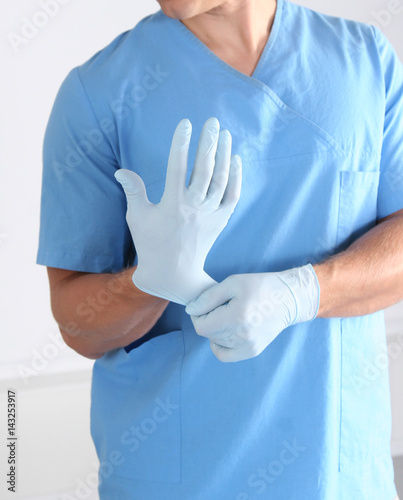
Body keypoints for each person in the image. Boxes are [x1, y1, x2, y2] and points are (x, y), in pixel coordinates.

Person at [36, 0, 403, 498]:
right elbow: (77, 323)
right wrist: (147, 282)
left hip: (336, 476)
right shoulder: (98, 95)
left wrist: (303, 292)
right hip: (177, 478)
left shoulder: (365, 62)